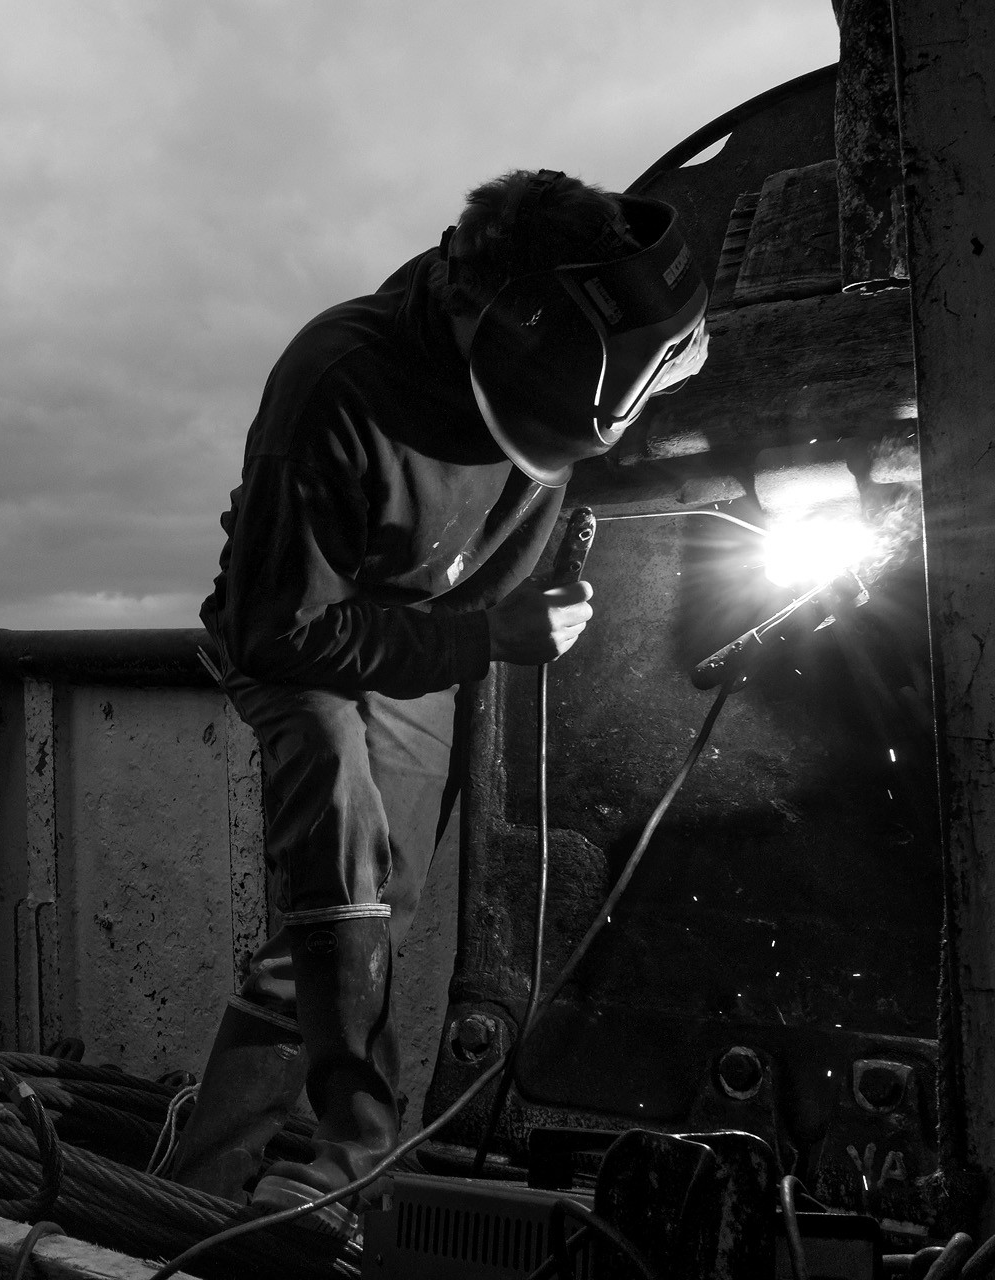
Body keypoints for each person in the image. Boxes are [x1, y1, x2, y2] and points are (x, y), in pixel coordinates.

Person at [168, 169, 709, 1226]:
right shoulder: (335, 381)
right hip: (298, 631)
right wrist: (485, 636)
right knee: (344, 862)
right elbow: (279, 628)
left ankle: (225, 1184)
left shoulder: (572, 351)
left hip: (422, 633)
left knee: (383, 904)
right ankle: (313, 1181)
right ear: (477, 304)